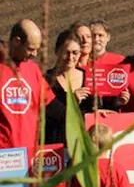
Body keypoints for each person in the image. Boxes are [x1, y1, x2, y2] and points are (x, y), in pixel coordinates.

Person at [0, 20, 53, 152]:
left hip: (28, 154)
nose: (34, 54)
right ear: (16, 41)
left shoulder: (33, 69)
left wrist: (86, 117)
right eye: (30, 49)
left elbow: (52, 106)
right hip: (4, 155)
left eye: (37, 49)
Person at [45, 29, 91, 145]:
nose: (70, 57)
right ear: (57, 51)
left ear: (81, 53)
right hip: (56, 146)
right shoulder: (45, 80)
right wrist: (72, 101)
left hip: (84, 144)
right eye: (66, 52)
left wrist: (116, 102)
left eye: (75, 53)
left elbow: (96, 108)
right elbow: (51, 113)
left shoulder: (89, 77)